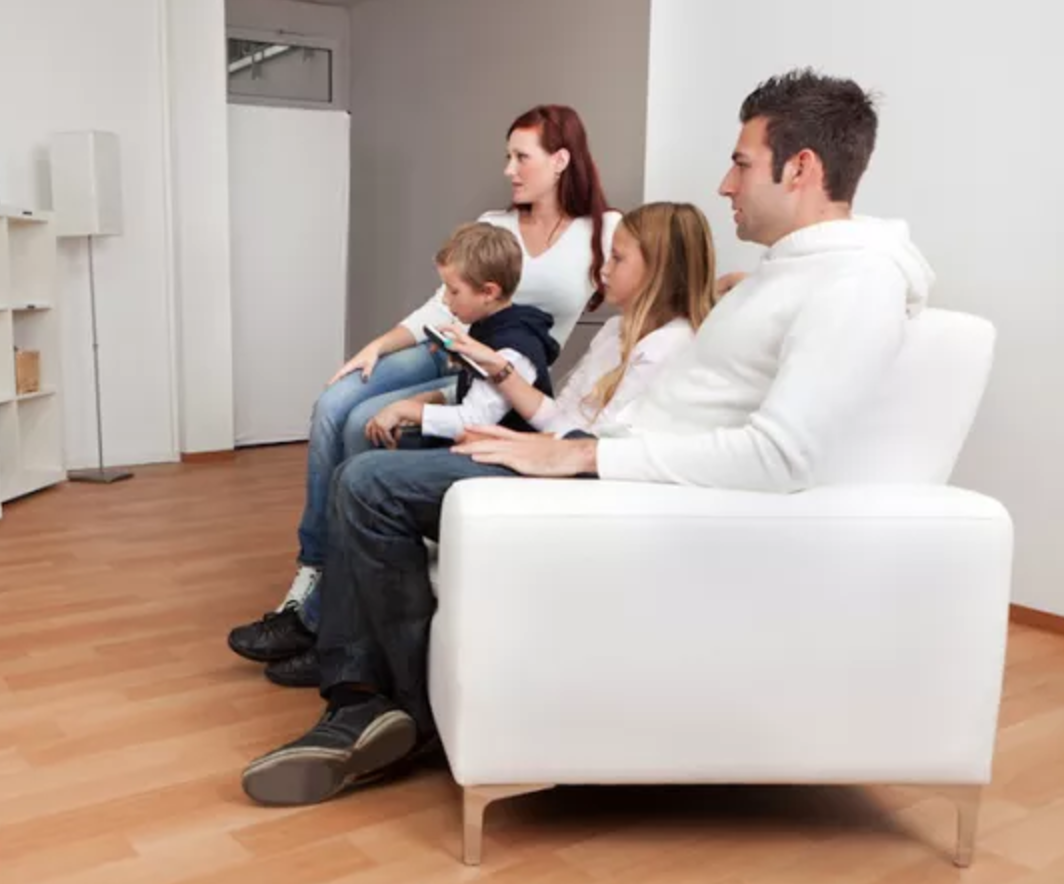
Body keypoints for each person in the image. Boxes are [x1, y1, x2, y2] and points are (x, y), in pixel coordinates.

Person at [239, 67, 935, 808]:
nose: (726, 185)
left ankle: (384, 708)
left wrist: (584, 453)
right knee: (364, 457)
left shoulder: (856, 285)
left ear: (800, 168)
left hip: (620, 487)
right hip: (610, 465)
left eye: (740, 162)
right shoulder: (792, 273)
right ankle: (362, 691)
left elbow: (784, 455)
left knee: (371, 485)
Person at [254, 201, 721, 690]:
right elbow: (558, 416)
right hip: (534, 452)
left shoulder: (670, 347)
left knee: (363, 477)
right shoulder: (614, 330)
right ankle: (336, 640)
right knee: (359, 461)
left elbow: (595, 449)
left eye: (619, 258)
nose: (603, 269)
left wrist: (515, 435)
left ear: (660, 269)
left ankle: (352, 659)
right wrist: (496, 372)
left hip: (560, 481)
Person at [227, 104, 620, 665]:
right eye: (507, 155)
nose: (509, 169)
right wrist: (378, 346)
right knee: (336, 401)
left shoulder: (603, 232)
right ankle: (312, 575)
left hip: (503, 367)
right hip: (450, 345)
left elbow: (662, 271)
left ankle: (341, 604)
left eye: (521, 157)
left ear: (561, 160)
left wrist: (721, 287)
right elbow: (441, 306)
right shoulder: (496, 222)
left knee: (365, 427)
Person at [362, 221, 562, 453]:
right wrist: (430, 399)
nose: (446, 300)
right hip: (477, 442)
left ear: (489, 292)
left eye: (454, 291)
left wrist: (404, 409)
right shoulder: (485, 326)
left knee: (364, 466)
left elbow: (473, 421)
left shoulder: (513, 350)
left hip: (503, 455)